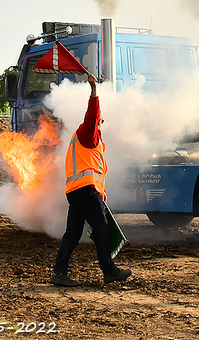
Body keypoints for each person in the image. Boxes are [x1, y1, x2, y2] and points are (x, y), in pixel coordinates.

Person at [49, 73, 131, 287]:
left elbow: (96, 170)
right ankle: (109, 270)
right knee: (102, 227)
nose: (100, 124)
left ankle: (59, 272)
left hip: (77, 192)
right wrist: (94, 88)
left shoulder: (88, 140)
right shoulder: (87, 133)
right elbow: (92, 114)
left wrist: (101, 192)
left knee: (73, 233)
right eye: (99, 121)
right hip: (85, 191)